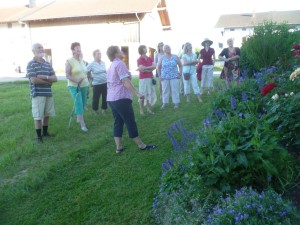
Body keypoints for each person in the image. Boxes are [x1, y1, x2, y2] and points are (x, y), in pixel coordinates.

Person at [106, 45, 157, 154]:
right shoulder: (120, 63)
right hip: (120, 98)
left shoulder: (111, 65)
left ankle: (119, 148)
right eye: (119, 50)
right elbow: (125, 81)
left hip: (111, 98)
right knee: (130, 121)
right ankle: (141, 145)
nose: (122, 51)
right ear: (115, 54)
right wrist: (137, 93)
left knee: (118, 122)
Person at [26, 43, 57, 144]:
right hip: (38, 94)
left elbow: (55, 78)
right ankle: (39, 138)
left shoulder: (47, 64)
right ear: (33, 51)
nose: (41, 49)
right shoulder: (31, 64)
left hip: (48, 93)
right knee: (38, 116)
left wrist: (44, 77)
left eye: (42, 47)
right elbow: (34, 80)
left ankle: (45, 133)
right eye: (38, 48)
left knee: (47, 114)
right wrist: (48, 82)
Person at [65, 42, 90, 132]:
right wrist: (76, 80)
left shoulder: (82, 61)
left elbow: (85, 72)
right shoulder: (69, 61)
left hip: (84, 85)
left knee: (83, 103)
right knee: (78, 103)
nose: (79, 49)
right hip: (74, 86)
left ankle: (78, 118)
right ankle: (82, 124)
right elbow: (67, 75)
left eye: (79, 47)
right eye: (76, 48)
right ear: (72, 50)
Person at [157, 44, 183, 109]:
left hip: (174, 76)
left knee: (175, 90)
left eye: (168, 47)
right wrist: (159, 75)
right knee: (165, 90)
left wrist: (180, 73)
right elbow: (158, 67)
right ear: (164, 50)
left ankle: (176, 103)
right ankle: (165, 103)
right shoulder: (162, 57)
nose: (168, 48)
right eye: (166, 48)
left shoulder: (175, 56)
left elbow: (180, 65)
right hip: (164, 77)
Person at [137, 45, 157, 115]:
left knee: (149, 93)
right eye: (144, 48)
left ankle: (149, 109)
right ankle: (141, 111)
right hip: (143, 79)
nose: (146, 49)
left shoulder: (150, 58)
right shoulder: (139, 59)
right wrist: (150, 68)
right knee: (142, 95)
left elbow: (154, 66)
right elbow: (142, 69)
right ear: (141, 50)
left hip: (150, 78)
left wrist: (146, 68)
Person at [87, 49, 108, 115]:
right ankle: (95, 110)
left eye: (100, 53)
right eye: (98, 54)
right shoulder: (91, 64)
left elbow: (105, 72)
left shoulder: (103, 63)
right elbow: (87, 71)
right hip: (96, 84)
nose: (100, 55)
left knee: (105, 97)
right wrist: (90, 78)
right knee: (96, 98)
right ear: (94, 55)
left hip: (104, 83)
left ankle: (104, 109)